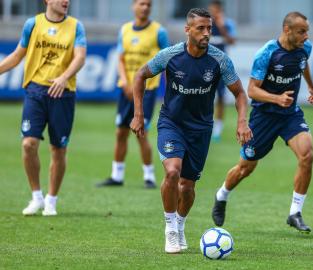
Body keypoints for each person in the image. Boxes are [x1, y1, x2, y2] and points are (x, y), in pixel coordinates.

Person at [130, 8, 252, 253]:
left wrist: (242, 121)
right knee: (172, 172)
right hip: (171, 123)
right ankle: (170, 229)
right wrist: (139, 113)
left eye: (209, 28)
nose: (207, 33)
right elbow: (140, 75)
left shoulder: (219, 60)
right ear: (187, 30)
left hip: (200, 129)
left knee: (187, 186)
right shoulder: (171, 55)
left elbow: (239, 93)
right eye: (201, 28)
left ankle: (181, 224)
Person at [211, 11, 313, 233]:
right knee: (245, 168)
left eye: (307, 31)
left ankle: (294, 213)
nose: (306, 36)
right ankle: (222, 195)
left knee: (307, 154)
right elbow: (252, 90)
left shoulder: (304, 48)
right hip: (263, 117)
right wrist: (277, 98)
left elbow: (303, 63)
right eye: (302, 32)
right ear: (287, 30)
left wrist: (310, 86)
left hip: (289, 115)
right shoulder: (267, 54)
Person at [0, 0, 86, 216]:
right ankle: (37, 196)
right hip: (35, 92)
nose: (66, 1)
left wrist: (65, 77)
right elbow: (18, 55)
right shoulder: (32, 24)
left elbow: (80, 57)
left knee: (58, 149)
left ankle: (51, 200)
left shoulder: (76, 26)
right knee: (28, 144)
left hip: (63, 94)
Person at [97, 0, 169, 189]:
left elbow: (168, 60)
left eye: (148, 4)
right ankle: (117, 175)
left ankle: (149, 177)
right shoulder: (125, 30)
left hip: (147, 90)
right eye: (141, 3)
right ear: (133, 6)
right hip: (126, 90)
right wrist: (125, 82)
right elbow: (120, 59)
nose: (145, 7)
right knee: (120, 132)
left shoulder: (158, 31)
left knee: (141, 133)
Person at [208, 0, 237, 141]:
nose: (214, 12)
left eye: (216, 10)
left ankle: (217, 130)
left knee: (220, 97)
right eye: (212, 10)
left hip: (221, 66)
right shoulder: (204, 24)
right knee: (204, 95)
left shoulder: (228, 23)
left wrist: (221, 26)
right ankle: (204, 124)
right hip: (205, 65)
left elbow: (232, 41)